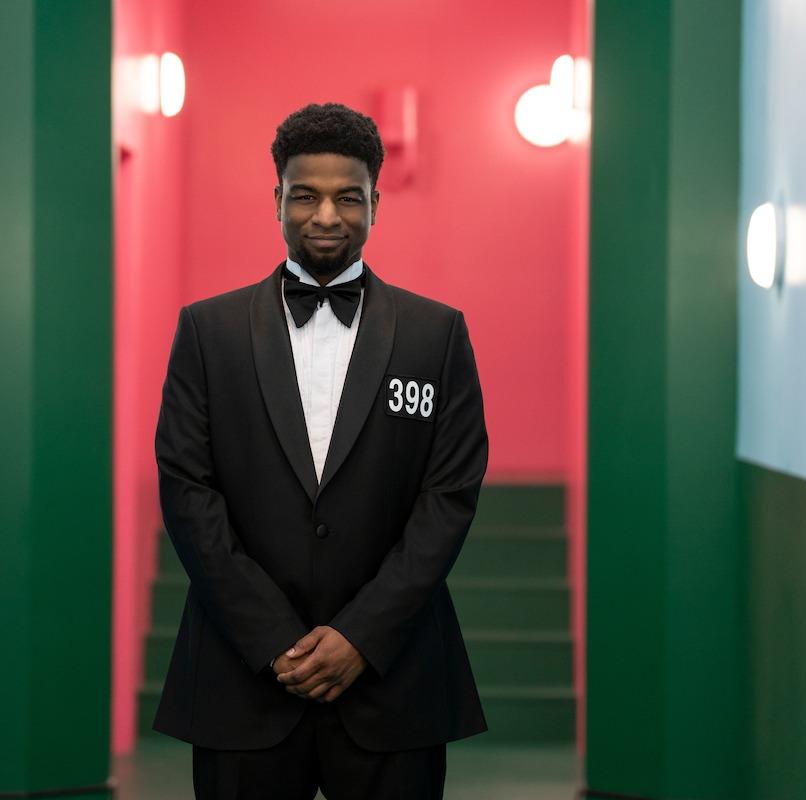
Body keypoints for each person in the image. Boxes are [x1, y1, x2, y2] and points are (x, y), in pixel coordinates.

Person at [154, 102, 488, 800]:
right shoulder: (206, 333)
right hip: (243, 681)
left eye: (348, 197)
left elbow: (448, 499)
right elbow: (188, 491)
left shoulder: (439, 336)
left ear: (376, 204)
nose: (326, 215)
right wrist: (276, 638)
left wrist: (360, 637)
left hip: (392, 683)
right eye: (304, 195)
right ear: (276, 199)